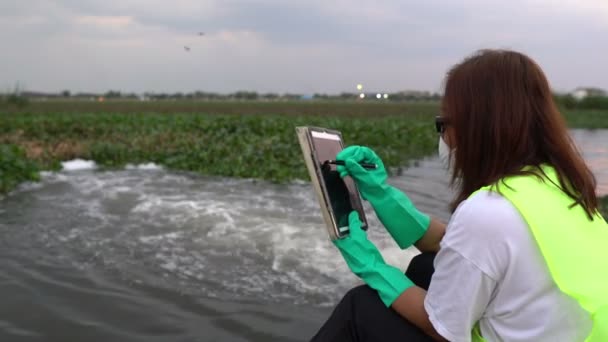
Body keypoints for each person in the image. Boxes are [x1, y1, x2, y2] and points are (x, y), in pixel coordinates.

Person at [310, 49, 608, 342]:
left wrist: (372, 266)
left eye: (444, 124)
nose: (442, 135)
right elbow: (454, 243)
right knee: (426, 266)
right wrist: (381, 193)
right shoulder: (559, 185)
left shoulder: (489, 212)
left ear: (477, 126)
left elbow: (440, 329)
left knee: (360, 307)